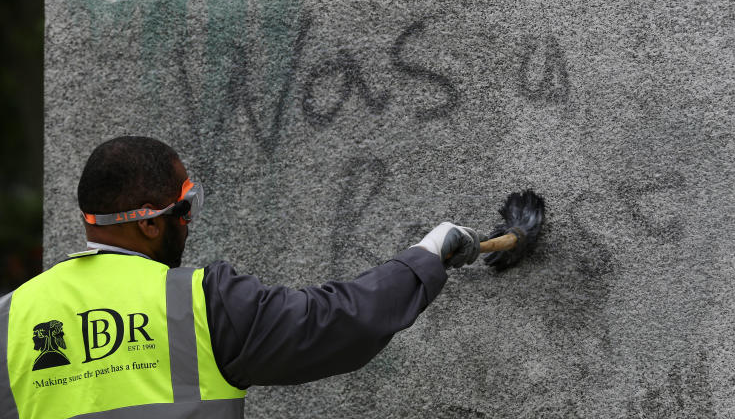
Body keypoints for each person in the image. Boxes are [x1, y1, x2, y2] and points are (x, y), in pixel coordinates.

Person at [0, 136, 481, 419]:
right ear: (149, 222)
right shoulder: (198, 302)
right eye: (186, 206)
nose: (189, 221)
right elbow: (335, 322)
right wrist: (428, 253)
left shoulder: (10, 317)